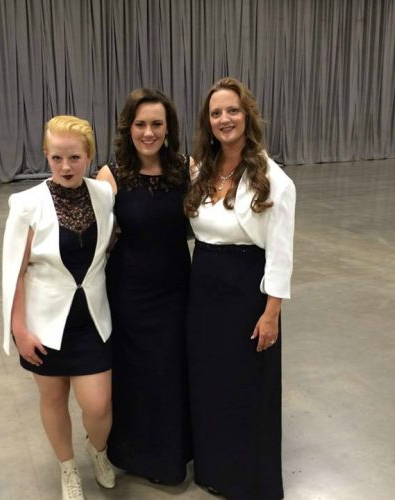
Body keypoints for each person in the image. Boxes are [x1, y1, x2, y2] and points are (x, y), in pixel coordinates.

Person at [184, 77, 296, 499]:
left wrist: (271, 314)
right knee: (210, 382)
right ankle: (214, 468)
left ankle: (248, 480)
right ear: (207, 122)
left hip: (247, 293)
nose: (224, 119)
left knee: (247, 388)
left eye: (232, 110)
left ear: (247, 115)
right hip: (203, 291)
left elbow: (280, 255)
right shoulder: (201, 170)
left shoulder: (274, 180)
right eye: (216, 113)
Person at [2, 115, 116, 500]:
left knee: (98, 405)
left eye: (74, 158)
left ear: (89, 156)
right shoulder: (26, 204)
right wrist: (19, 329)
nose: (65, 167)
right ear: (46, 156)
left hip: (93, 321)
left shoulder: (103, 195)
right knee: (52, 399)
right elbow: (14, 272)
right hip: (44, 325)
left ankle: (97, 450)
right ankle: (67, 467)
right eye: (56, 158)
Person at [97, 88, 192, 484]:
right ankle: (135, 454)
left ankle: (172, 456)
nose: (148, 132)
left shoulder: (186, 169)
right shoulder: (111, 175)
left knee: (171, 371)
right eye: (140, 124)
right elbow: (97, 240)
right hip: (129, 292)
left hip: (177, 288)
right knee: (136, 373)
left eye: (156, 124)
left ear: (168, 128)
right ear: (128, 128)